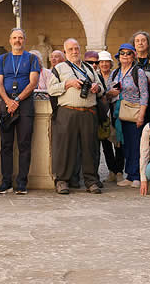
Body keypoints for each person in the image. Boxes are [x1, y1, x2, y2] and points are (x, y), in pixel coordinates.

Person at [49, 38, 104, 195]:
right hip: (68, 112)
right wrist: (68, 84)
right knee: (65, 147)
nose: (74, 52)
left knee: (89, 148)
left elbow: (102, 88)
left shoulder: (89, 68)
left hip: (89, 112)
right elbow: (51, 89)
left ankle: (91, 181)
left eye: (76, 49)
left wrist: (97, 87)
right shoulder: (59, 68)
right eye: (70, 49)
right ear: (65, 52)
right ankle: (62, 181)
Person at [0, 28, 40, 194]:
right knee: (5, 145)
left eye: (20, 38)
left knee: (24, 144)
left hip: (25, 104)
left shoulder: (32, 58)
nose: (17, 41)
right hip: (6, 104)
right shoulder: (3, 58)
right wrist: (8, 101)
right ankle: (6, 182)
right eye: (14, 38)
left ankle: (22, 183)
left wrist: (17, 100)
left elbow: (33, 82)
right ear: (10, 40)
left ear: (24, 40)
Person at [112, 43, 148, 188]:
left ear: (133, 56)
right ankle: (129, 175)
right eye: (122, 53)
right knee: (125, 146)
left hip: (134, 112)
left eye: (128, 53)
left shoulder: (138, 72)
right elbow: (109, 92)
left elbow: (144, 94)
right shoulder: (116, 73)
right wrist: (111, 93)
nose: (125, 56)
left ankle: (137, 176)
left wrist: (141, 115)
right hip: (120, 113)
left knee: (136, 145)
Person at [96, 50, 123, 184]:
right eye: (102, 62)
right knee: (105, 143)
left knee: (118, 142)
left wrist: (108, 94)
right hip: (102, 113)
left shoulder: (116, 75)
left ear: (111, 63)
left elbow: (118, 91)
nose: (104, 64)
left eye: (107, 62)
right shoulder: (95, 76)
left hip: (115, 112)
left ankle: (119, 171)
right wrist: (108, 94)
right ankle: (111, 170)